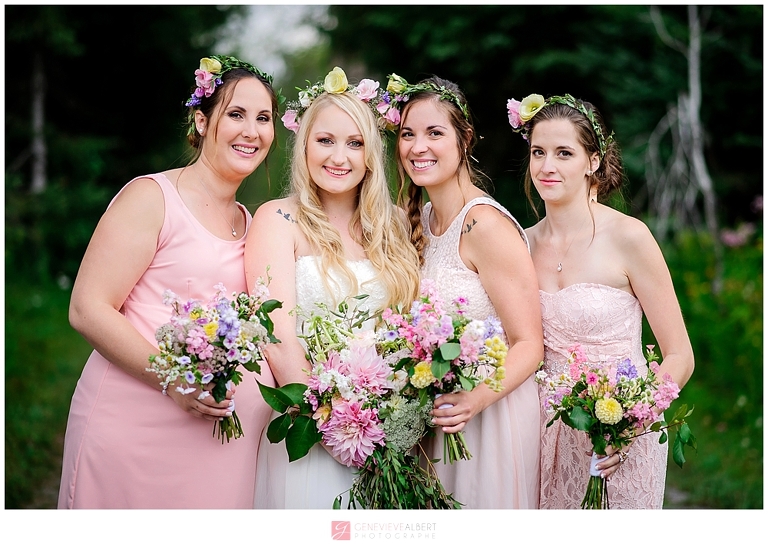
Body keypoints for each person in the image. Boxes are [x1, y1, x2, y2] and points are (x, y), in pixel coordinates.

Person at [58, 55, 280, 509]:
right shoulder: (152, 197)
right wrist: (177, 381)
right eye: (235, 114)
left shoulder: (252, 221)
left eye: (264, 118)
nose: (252, 131)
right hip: (134, 435)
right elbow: (87, 308)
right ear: (201, 122)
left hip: (220, 451)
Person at [506, 93, 695, 508]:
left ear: (593, 161)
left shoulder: (630, 238)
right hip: (545, 432)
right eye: (538, 152)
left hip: (622, 437)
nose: (547, 166)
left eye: (564, 153)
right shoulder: (521, 243)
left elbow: (680, 354)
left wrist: (632, 421)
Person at [246, 67, 421, 509]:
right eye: (325, 141)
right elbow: (277, 336)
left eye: (354, 143)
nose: (339, 157)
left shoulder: (394, 225)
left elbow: (410, 331)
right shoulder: (277, 219)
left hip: (389, 431)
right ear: (304, 145)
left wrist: (395, 424)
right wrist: (337, 428)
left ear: (371, 155)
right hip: (313, 424)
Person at [386, 74, 543, 509]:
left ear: (465, 139)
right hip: (440, 416)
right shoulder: (422, 217)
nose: (419, 147)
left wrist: (473, 400)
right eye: (408, 134)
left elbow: (530, 345)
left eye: (435, 133)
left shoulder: (485, 225)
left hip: (489, 417)